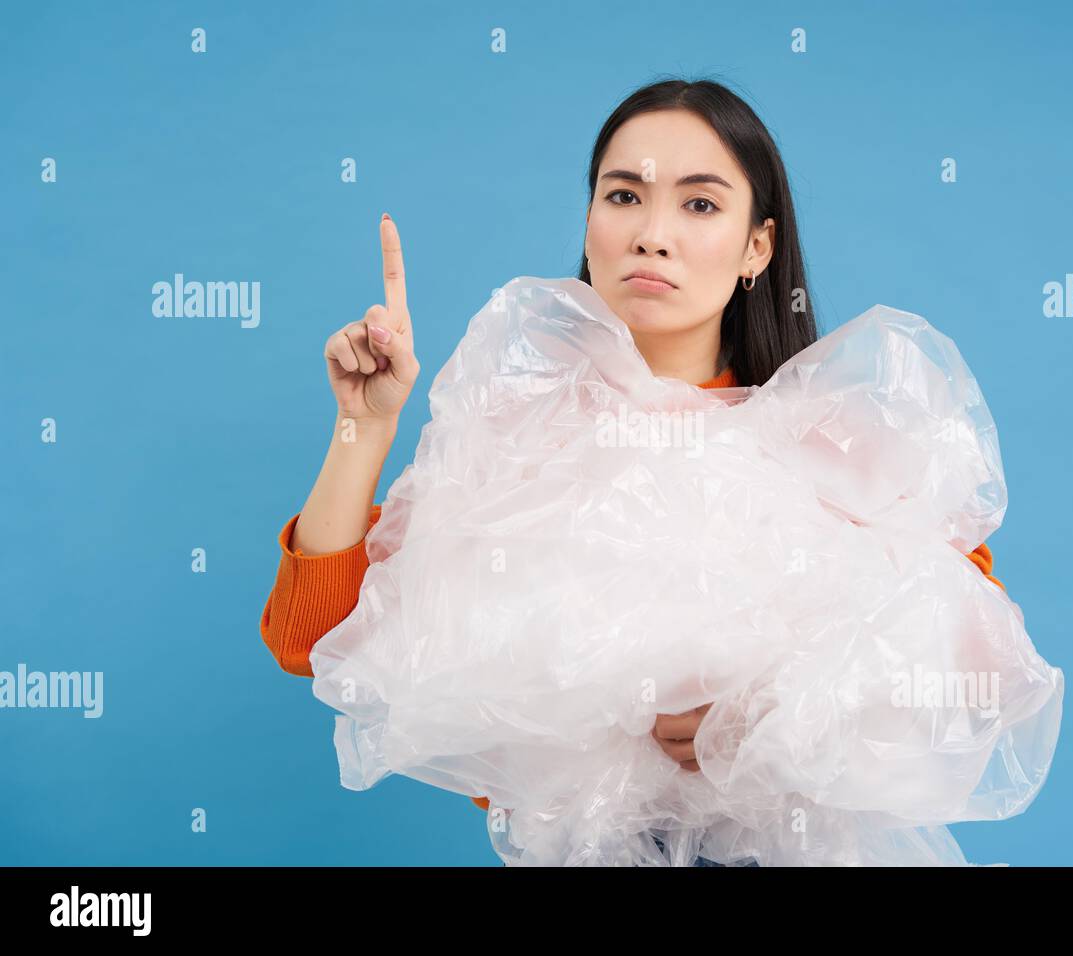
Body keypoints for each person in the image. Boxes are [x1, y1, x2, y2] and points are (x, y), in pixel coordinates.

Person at [261, 77, 1007, 865]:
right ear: (589, 222)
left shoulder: (832, 436)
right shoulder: (521, 434)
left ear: (759, 245)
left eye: (700, 204)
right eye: (623, 196)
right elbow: (319, 641)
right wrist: (365, 424)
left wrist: (786, 709)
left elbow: (974, 665)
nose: (652, 234)